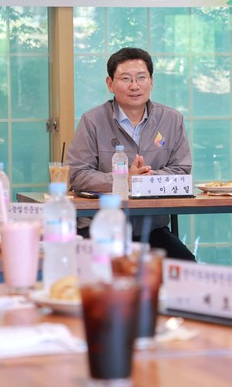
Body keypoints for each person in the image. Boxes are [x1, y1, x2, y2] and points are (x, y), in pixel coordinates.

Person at [67, 47, 196, 261]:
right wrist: (124, 180)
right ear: (110, 84)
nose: (135, 86)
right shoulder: (92, 121)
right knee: (111, 270)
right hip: (101, 227)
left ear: (151, 82)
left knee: (185, 265)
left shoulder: (172, 119)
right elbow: (78, 174)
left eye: (141, 78)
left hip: (151, 227)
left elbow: (181, 170)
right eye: (126, 78)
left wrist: (145, 180)